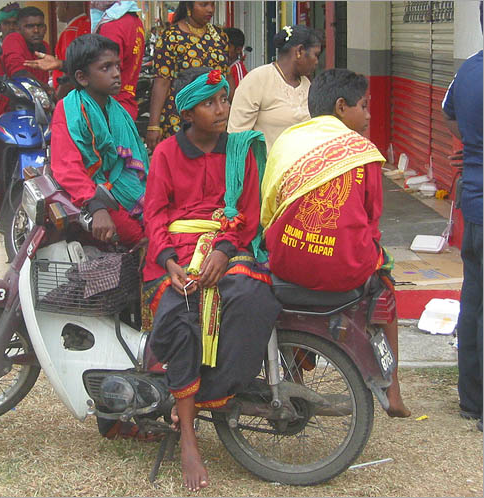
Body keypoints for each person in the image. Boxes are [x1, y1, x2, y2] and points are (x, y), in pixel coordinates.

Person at [144, 67, 281, 491]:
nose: (222, 109)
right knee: (181, 315)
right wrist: (168, 261)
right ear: (187, 112)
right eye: (210, 102)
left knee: (251, 296)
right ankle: (188, 437)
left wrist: (223, 250)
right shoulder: (166, 152)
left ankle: (204, 396)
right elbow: (153, 213)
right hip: (175, 255)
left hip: (230, 245)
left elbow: (249, 212)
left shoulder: (241, 150)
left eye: (225, 98)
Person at [260, 68, 410, 418]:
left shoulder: (286, 142)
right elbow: (372, 218)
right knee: (386, 281)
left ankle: (294, 371)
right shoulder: (363, 152)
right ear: (342, 107)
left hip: (286, 264)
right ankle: (394, 388)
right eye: (365, 106)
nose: (369, 115)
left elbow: (268, 209)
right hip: (346, 270)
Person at [50, 34, 147, 249]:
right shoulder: (68, 111)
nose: (116, 74)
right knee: (139, 237)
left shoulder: (116, 109)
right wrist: (96, 206)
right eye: (106, 68)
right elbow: (68, 168)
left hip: (123, 191)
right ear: (82, 77)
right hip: (92, 195)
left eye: (117, 66)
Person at [441, 2, 483, 432]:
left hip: (474, 202)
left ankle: (471, 399)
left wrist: (473, 145)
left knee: (473, 301)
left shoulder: (468, 71)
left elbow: (447, 114)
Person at [24, 1, 145, 120]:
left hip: (106, 112)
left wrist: (61, 66)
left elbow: (99, 71)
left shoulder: (111, 26)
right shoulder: (135, 22)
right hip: (125, 106)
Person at [145, 1, 231, 151]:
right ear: (189, 7)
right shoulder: (171, 37)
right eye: (204, 5)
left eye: (212, 4)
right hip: (181, 116)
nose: (210, 9)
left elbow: (227, 76)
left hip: (215, 114)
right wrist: (154, 125)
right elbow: (162, 82)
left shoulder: (220, 37)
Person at [228, 25, 321, 151]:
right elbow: (237, 137)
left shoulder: (306, 84)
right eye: (316, 55)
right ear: (299, 51)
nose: (317, 62)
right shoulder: (257, 80)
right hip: (266, 168)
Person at [0, 6, 51, 129]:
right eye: (29, 26)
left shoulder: (44, 47)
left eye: (39, 26)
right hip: (4, 116)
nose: (36, 30)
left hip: (34, 114)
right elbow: (19, 73)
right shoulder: (13, 39)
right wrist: (47, 89)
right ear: (19, 29)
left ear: (45, 28)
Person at [52, 1, 90, 99]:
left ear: (65, 5)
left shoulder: (71, 32)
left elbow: (69, 70)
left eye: (57, 6)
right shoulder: (88, 24)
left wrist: (58, 99)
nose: (56, 11)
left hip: (71, 96)